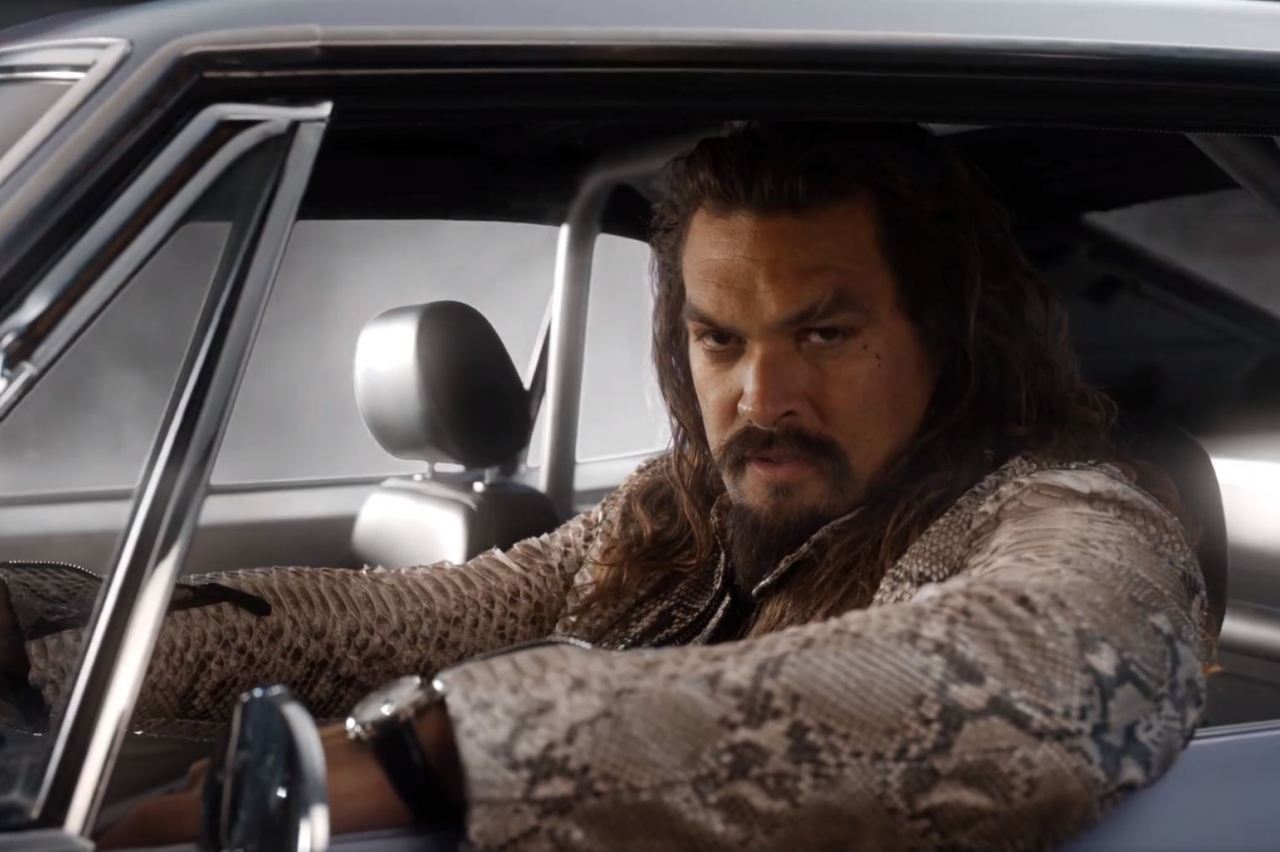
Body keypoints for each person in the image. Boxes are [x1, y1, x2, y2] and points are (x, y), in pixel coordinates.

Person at [2, 123, 1208, 850]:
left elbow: (1028, 682)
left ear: (946, 341)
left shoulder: (1075, 512)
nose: (762, 397)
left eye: (824, 334)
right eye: (719, 339)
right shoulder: (683, 512)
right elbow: (409, 617)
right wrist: (50, 648)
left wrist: (426, 755)